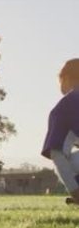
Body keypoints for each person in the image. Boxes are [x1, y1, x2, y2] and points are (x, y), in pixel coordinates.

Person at [41, 59, 79, 205]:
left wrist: (75, 192)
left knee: (69, 160)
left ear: (66, 78)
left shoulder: (63, 109)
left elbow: (57, 154)